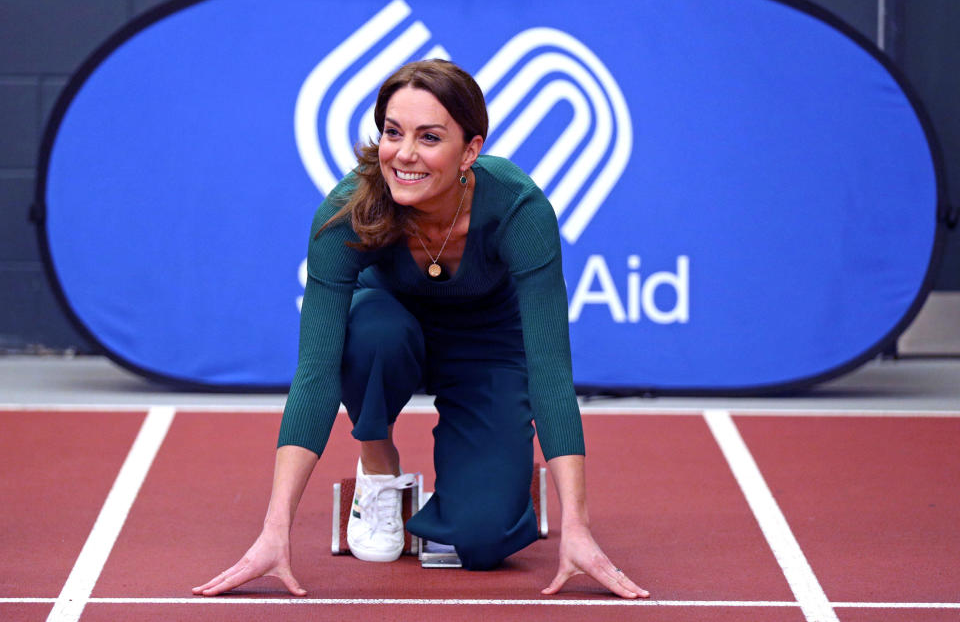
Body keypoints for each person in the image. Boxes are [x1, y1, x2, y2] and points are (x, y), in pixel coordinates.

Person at [193, 59, 648, 599]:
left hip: (487, 348)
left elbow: (550, 371)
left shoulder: (520, 209)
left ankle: (496, 481)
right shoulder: (346, 212)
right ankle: (379, 466)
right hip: (390, 329)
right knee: (370, 333)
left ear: (471, 150)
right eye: (392, 132)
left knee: (481, 541)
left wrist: (578, 526)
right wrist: (274, 530)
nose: (404, 154)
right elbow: (315, 374)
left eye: (429, 137)